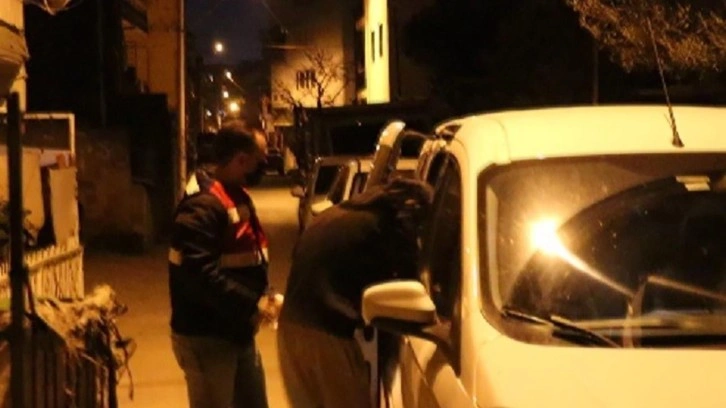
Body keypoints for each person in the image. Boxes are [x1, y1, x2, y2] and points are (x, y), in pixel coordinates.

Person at [277, 177, 433, 408]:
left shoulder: (339, 216)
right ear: (410, 206)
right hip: (326, 338)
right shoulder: (383, 226)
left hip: (290, 328)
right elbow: (408, 281)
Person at [168, 120, 274, 408]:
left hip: (236, 331)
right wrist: (253, 304)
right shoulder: (202, 207)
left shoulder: (233, 194)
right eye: (260, 161)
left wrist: (262, 297)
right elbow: (199, 275)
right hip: (208, 338)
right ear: (241, 160)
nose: (264, 167)